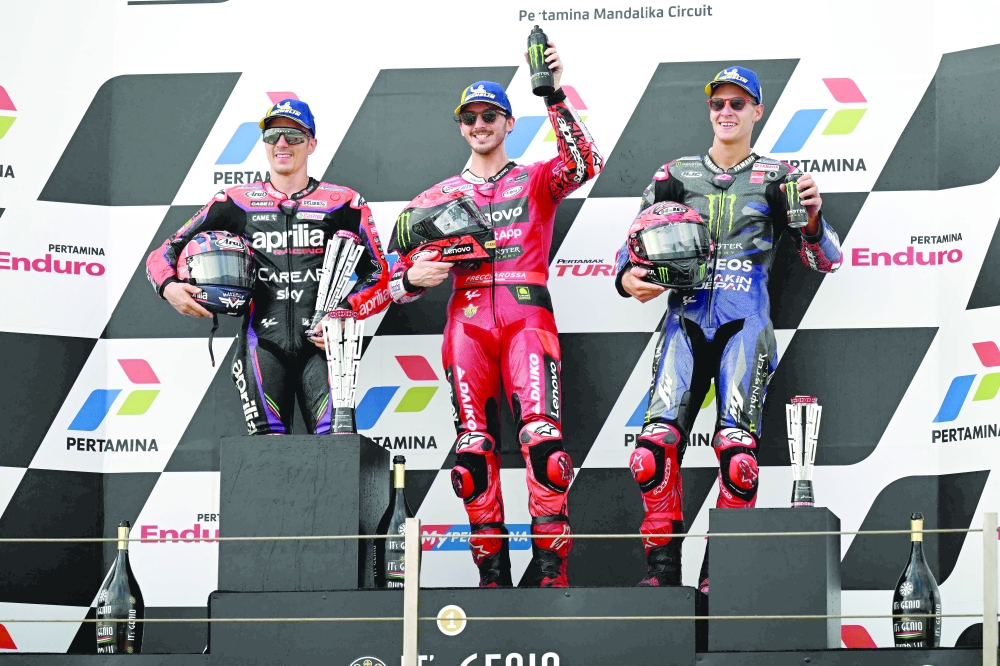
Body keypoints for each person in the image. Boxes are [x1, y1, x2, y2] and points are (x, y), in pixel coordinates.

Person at [614, 66, 843, 589]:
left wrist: (811, 219)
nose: (726, 111)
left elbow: (827, 258)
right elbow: (628, 254)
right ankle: (661, 575)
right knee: (650, 454)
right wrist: (628, 279)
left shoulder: (780, 178)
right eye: (718, 102)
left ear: (757, 112)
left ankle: (721, 578)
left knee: (739, 460)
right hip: (684, 324)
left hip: (746, 323)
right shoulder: (673, 175)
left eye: (738, 103)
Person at [387, 43, 602, 587]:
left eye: (489, 116)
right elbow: (393, 275)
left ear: (507, 122)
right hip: (467, 323)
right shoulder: (434, 198)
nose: (479, 125)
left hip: (528, 316)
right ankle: (493, 580)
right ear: (461, 127)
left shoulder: (534, 179)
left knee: (544, 445)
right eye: (470, 118)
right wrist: (411, 281)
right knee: (472, 455)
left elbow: (584, 164)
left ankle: (553, 576)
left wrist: (552, 93)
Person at [146, 99, 391, 435]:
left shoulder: (344, 203)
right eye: (273, 135)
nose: (281, 144)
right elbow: (165, 251)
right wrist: (169, 287)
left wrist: (345, 312)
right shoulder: (235, 201)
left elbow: (378, 275)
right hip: (261, 343)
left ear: (312, 143)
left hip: (324, 347)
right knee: (266, 458)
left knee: (337, 452)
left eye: (292, 136)